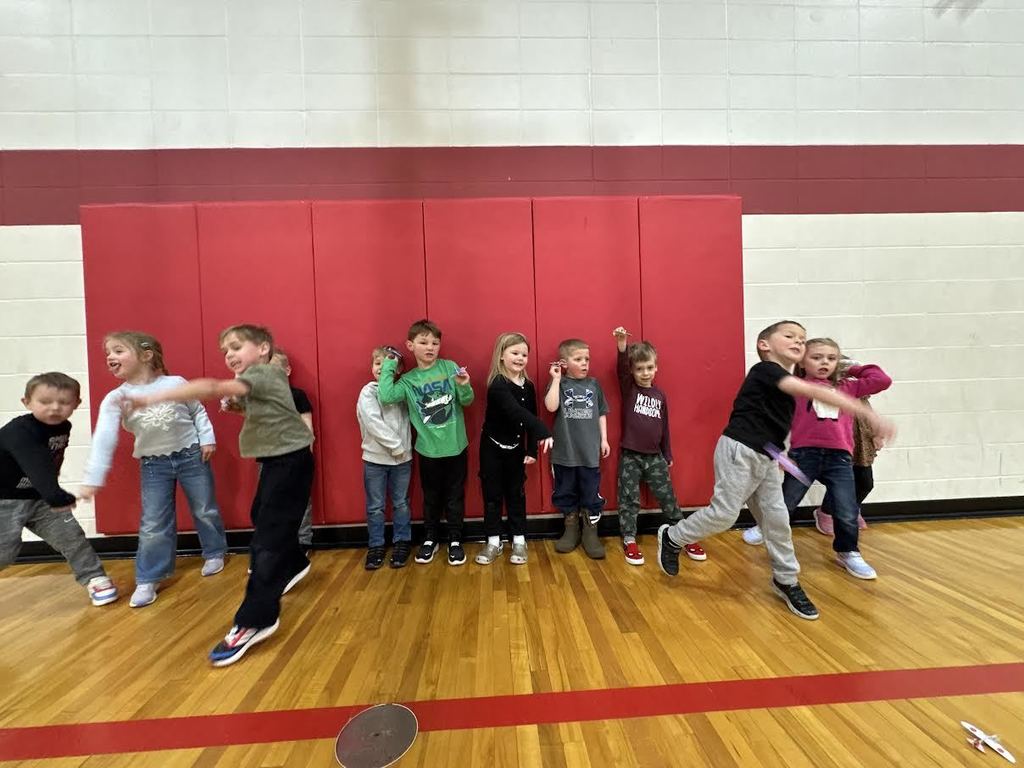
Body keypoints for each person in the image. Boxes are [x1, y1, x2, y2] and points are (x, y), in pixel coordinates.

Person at [655, 321, 896, 620]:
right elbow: (808, 389)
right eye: (790, 336)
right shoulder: (766, 370)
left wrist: (780, 455)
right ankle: (673, 536)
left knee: (778, 521)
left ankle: (786, 580)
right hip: (739, 451)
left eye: (802, 339)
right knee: (725, 514)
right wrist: (862, 410)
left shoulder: (788, 382)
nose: (798, 341)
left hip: (766, 456)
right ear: (764, 345)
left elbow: (778, 421)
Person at [124, 324, 313, 666]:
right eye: (225, 351)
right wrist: (240, 409)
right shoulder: (263, 380)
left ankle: (256, 620)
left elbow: (212, 387)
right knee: (262, 517)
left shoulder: (264, 374)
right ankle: (296, 562)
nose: (229, 355)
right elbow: (267, 412)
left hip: (290, 463)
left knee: (267, 544)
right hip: (280, 461)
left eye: (236, 347)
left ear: (263, 348)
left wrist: (155, 396)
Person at [79, 331, 227, 608]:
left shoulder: (175, 383)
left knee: (204, 508)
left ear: (146, 355)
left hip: (191, 454)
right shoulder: (116, 398)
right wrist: (93, 478)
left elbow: (197, 411)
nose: (110, 356)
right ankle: (149, 578)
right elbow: (104, 438)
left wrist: (207, 438)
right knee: (154, 522)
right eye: (108, 352)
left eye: (118, 350)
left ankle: (214, 551)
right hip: (153, 464)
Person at [742, 339, 892, 580]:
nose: (825, 362)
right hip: (804, 456)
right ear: (802, 361)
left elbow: (882, 380)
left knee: (846, 508)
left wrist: (851, 367)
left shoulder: (847, 387)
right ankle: (765, 527)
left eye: (831, 358)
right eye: (816, 357)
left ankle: (848, 551)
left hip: (839, 458)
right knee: (786, 500)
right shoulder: (798, 388)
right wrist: (778, 453)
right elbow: (773, 418)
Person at [1, 373, 118, 606]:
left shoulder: (63, 426)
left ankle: (95, 578)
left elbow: (50, 462)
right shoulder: (19, 431)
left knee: (71, 537)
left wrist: (51, 493)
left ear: (77, 403)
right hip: (5, 500)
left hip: (40, 499)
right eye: (45, 402)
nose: (55, 408)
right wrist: (55, 495)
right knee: (4, 553)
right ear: (26, 402)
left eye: (64, 402)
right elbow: (35, 462)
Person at [377, 320, 474, 566]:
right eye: (423, 342)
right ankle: (431, 538)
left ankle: (455, 540)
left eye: (435, 343)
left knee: (454, 497)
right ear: (410, 345)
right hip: (428, 450)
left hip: (456, 447)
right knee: (431, 498)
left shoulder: (449, 367)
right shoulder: (408, 380)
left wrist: (464, 386)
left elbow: (467, 401)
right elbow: (386, 396)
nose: (430, 347)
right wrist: (390, 364)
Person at [612, 326, 705, 566]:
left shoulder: (660, 395)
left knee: (668, 498)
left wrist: (667, 453)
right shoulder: (629, 389)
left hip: (655, 457)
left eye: (649, 367)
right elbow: (621, 368)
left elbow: (664, 427)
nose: (645, 373)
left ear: (656, 368)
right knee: (629, 499)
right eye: (639, 369)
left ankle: (683, 535)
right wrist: (622, 345)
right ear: (632, 371)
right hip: (630, 456)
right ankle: (629, 539)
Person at [475, 332, 552, 566]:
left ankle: (519, 539)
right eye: (515, 353)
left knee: (516, 494)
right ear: (501, 355)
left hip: (516, 450)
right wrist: (544, 430)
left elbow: (530, 415)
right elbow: (515, 412)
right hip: (492, 449)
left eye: (524, 354)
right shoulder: (497, 385)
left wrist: (531, 450)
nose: (520, 358)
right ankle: (493, 541)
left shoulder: (528, 386)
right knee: (492, 496)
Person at [545, 338, 609, 560]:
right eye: (578, 359)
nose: (584, 363)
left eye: (587, 359)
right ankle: (571, 527)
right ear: (564, 363)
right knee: (565, 491)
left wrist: (604, 440)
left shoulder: (594, 385)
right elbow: (550, 406)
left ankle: (590, 531)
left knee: (590, 493)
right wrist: (556, 379)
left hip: (589, 453)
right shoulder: (560, 384)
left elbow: (601, 413)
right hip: (565, 453)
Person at [357, 346, 414, 570]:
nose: (381, 368)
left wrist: (403, 451)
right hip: (375, 461)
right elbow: (374, 424)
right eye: (377, 363)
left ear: (398, 369)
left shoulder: (402, 391)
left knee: (401, 503)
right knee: (375, 506)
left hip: (402, 461)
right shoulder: (368, 392)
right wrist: (397, 447)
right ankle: (376, 545)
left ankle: (402, 541)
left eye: (388, 364)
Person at [268, 349, 315, 553]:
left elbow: (307, 426)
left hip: (296, 456)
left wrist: (308, 453)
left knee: (300, 499)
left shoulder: (297, 396)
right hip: (269, 459)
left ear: (287, 371)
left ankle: (303, 540)